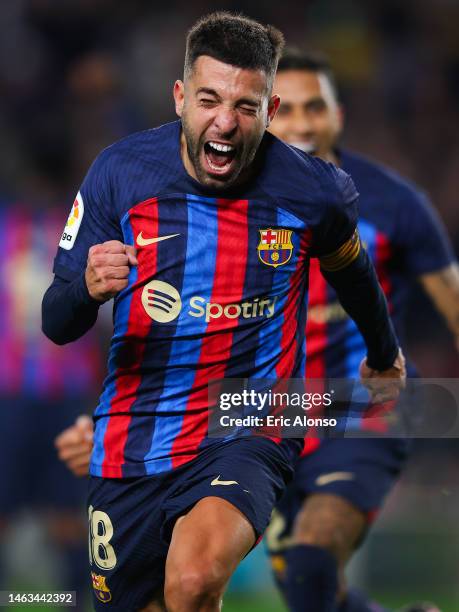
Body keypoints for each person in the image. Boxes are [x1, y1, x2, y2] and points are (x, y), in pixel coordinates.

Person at [42, 13, 406, 612]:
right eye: (209, 99)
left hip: (246, 419)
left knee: (192, 580)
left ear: (270, 108)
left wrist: (383, 354)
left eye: (246, 105)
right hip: (133, 436)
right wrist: (86, 286)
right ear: (180, 97)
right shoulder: (119, 174)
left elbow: (354, 273)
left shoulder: (312, 192)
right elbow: (58, 323)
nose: (225, 122)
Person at [264, 49, 458, 612]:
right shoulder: (228, 203)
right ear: (264, 115)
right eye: (287, 109)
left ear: (338, 114)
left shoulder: (395, 202)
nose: (302, 123)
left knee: (310, 562)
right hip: (259, 415)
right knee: (310, 594)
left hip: (365, 407)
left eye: (315, 107)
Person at [0, 197, 104, 611]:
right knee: (58, 516)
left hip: (58, 394)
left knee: (66, 516)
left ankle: (65, 600)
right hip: (24, 394)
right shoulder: (84, 228)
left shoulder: (83, 223)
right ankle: (57, 600)